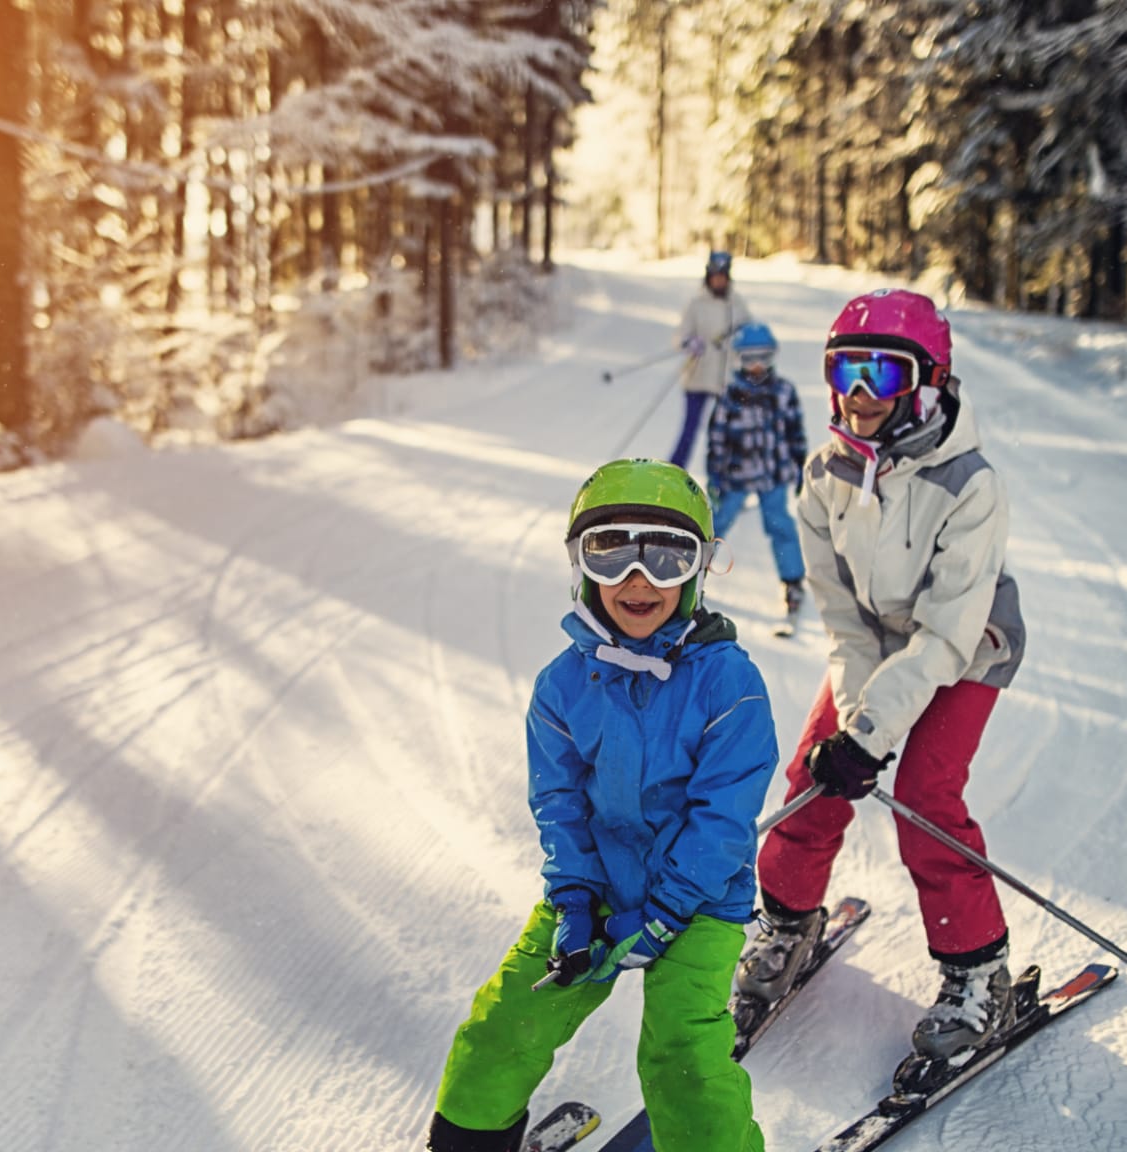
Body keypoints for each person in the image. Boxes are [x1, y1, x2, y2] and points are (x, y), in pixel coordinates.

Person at [427, 459, 775, 1152]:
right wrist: (576, 899)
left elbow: (723, 818)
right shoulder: (562, 687)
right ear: (582, 567)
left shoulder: (729, 683)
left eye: (667, 557)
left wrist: (670, 908)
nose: (638, 580)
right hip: (598, 890)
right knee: (505, 1025)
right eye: (610, 553)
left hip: (700, 901)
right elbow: (558, 803)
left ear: (698, 571)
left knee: (681, 1055)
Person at [736, 289, 1027, 1068]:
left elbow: (944, 634)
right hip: (873, 642)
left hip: (964, 648)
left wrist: (872, 736)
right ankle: (788, 924)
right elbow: (842, 621)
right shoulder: (823, 475)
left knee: (927, 797)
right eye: (845, 371)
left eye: (883, 374)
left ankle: (978, 971)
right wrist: (854, 730)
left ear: (928, 383)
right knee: (814, 776)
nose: (860, 394)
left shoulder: (969, 483)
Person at [704, 322, 810, 621]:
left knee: (780, 525)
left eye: (763, 357)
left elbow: (795, 432)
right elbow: (717, 437)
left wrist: (800, 467)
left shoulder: (784, 391)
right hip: (736, 475)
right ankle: (692, 573)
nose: (757, 365)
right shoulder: (730, 394)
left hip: (773, 474)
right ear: (739, 359)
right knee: (716, 523)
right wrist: (715, 475)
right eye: (749, 358)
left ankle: (792, 581)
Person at [669, 251, 754, 471]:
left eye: (722, 277)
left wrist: (738, 344)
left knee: (724, 433)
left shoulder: (737, 304)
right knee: (689, 430)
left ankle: (722, 479)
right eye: (715, 276)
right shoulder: (696, 303)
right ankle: (674, 472)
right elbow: (680, 337)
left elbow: (750, 336)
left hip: (724, 380)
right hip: (697, 377)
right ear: (708, 277)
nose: (718, 281)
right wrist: (690, 343)